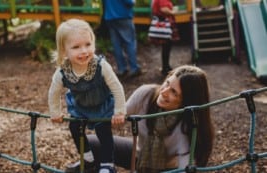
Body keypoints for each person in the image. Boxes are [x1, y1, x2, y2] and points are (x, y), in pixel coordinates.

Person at [87, 65, 215, 172]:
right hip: (141, 154)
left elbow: (185, 166)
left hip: (169, 168)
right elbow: (114, 120)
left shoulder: (187, 126)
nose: (164, 92)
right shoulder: (146, 94)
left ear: (186, 101)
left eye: (174, 92)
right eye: (167, 83)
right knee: (90, 143)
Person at [48, 18, 126, 173]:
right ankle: (88, 159)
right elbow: (54, 92)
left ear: (93, 43)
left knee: (103, 132)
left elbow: (116, 87)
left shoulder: (101, 66)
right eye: (76, 47)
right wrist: (55, 112)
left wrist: (119, 111)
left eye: (88, 44)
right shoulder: (63, 72)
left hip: (102, 106)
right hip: (80, 108)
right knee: (75, 127)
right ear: (64, 51)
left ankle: (107, 164)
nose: (84, 51)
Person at [102, 0, 141, 78]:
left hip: (110, 17)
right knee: (130, 42)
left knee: (116, 44)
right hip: (123, 16)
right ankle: (134, 68)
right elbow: (129, 2)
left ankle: (122, 69)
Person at [151, 0, 179, 75]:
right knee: (166, 46)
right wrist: (173, 11)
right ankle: (165, 68)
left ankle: (166, 66)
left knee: (166, 47)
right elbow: (163, 9)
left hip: (163, 25)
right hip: (164, 26)